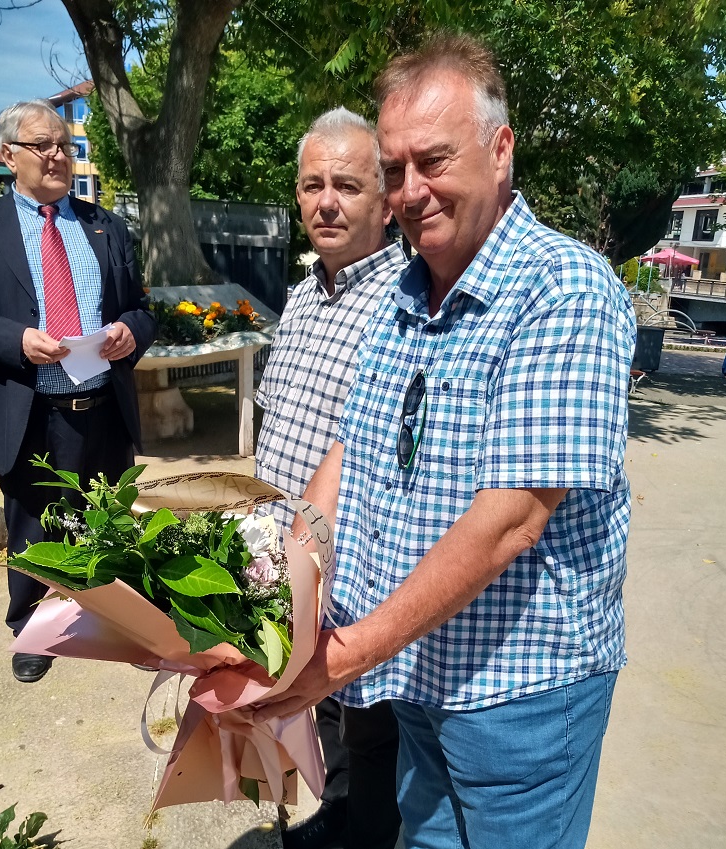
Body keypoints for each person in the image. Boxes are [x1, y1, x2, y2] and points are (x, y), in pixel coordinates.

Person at [257, 32, 637, 849]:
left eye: (432, 161)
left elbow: (512, 518)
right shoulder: (404, 295)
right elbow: (349, 452)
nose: (410, 191)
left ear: (500, 151)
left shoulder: (563, 287)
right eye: (395, 169)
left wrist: (345, 653)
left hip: (522, 695)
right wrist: (283, 589)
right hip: (422, 674)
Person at [0, 100, 156, 684]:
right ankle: (32, 629)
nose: (58, 155)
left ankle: (117, 618)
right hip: (29, 409)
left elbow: (141, 308)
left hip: (103, 407)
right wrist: (17, 340)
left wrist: (129, 331)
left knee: (108, 522)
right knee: (33, 525)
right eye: (43, 145)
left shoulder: (105, 225)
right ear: (8, 156)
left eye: (65, 145)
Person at [255, 107, 406, 849]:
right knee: (315, 709)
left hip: (358, 565)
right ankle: (333, 810)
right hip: (286, 556)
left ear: (386, 200)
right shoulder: (302, 293)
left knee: (369, 725)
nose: (326, 203)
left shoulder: (408, 300)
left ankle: (363, 827)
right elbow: (277, 414)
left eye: (347, 185)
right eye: (313, 185)